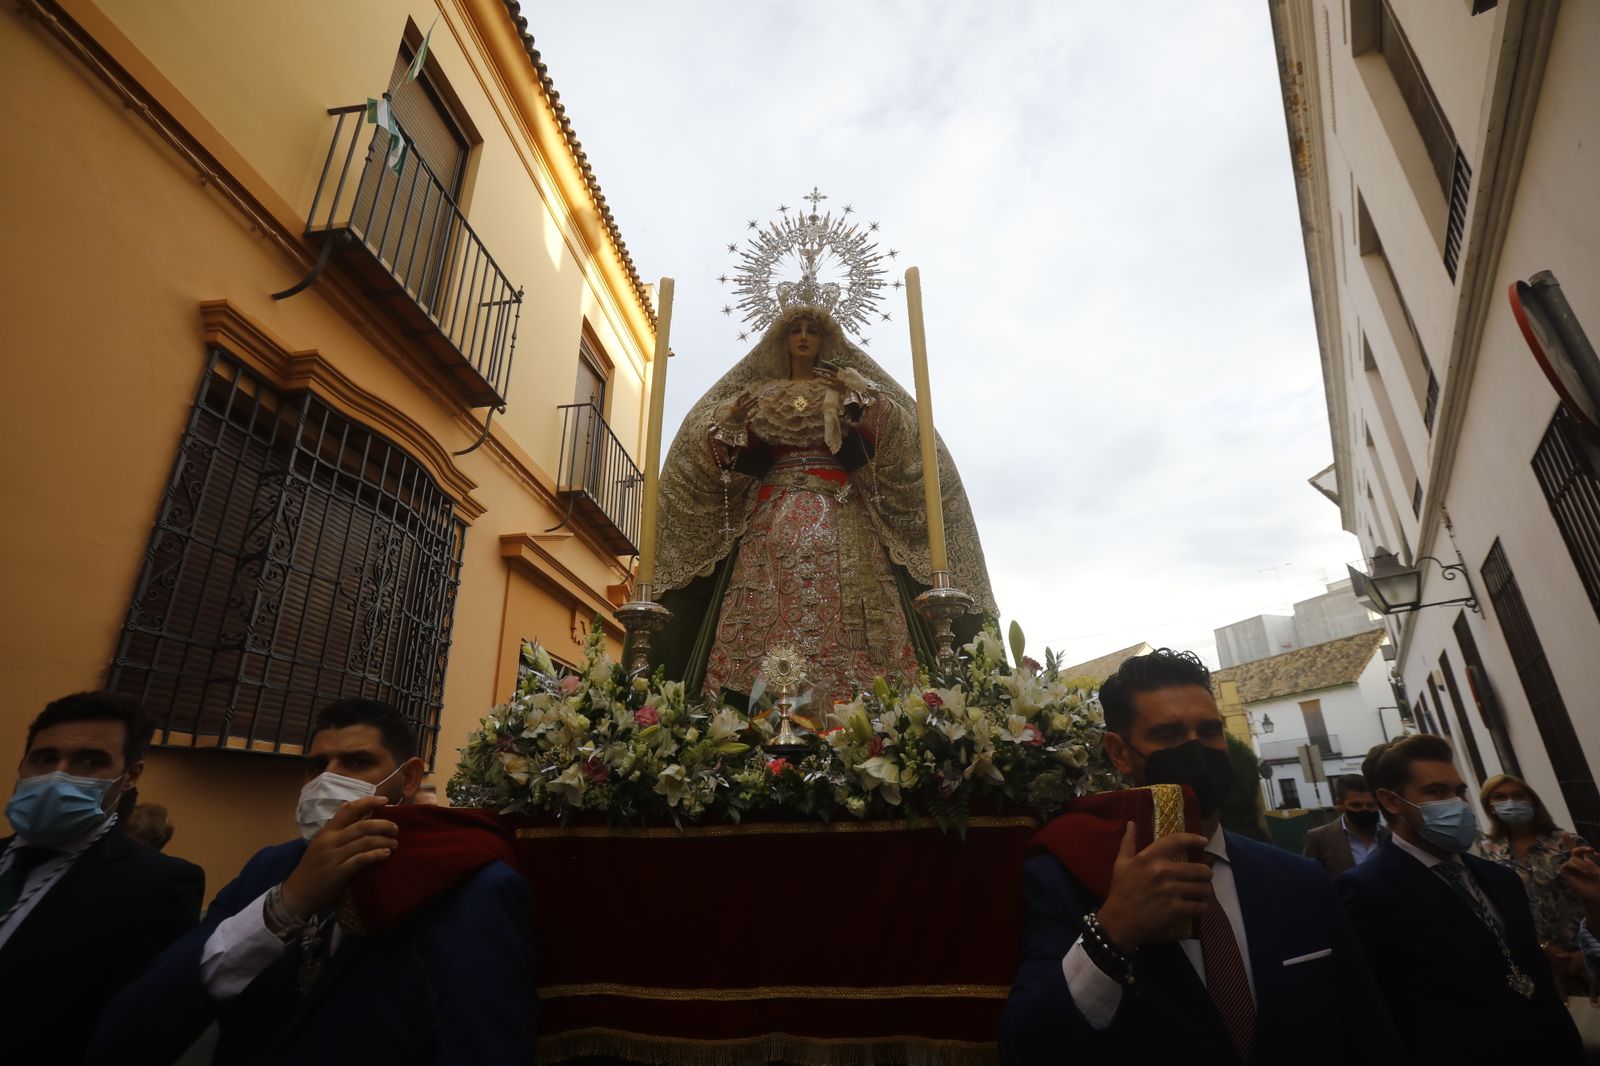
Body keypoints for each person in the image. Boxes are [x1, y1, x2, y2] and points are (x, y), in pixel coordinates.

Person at [1000, 649, 1400, 1064]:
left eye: (1210, 730)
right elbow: (1027, 1047)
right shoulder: (1066, 880)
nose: (1196, 748)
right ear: (1119, 753)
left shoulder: (1300, 880)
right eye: (1168, 734)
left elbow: (1368, 1031)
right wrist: (1113, 931)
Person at [91, 698, 536, 1065]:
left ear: (408, 778)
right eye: (316, 765)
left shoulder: (473, 890)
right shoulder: (267, 869)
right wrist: (283, 907)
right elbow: (136, 1028)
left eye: (357, 762)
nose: (328, 779)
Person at [651, 304, 996, 704]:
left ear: (824, 340)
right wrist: (730, 420)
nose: (803, 337)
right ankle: (752, 703)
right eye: (795, 330)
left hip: (842, 514)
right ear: (781, 340)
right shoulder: (762, 395)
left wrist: (863, 400)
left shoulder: (844, 389)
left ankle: (865, 703)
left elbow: (898, 432)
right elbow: (715, 447)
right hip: (772, 519)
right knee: (762, 602)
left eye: (811, 331)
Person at [1336, 735, 1582, 1062]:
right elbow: (1376, 1005)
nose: (1457, 804)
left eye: (1460, 792)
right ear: (1391, 801)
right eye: (1437, 792)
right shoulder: (1367, 890)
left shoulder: (1501, 878)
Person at [0, 691, 203, 1065]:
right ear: (22, 764)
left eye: (90, 761)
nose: (57, 776)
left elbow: (137, 1036)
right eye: (45, 759)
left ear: (130, 776)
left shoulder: (157, 886)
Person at [1476, 772, 1591, 995]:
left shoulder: (1566, 842)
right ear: (1490, 807)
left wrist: (1587, 949)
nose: (1511, 802)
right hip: (1538, 959)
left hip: (1587, 950)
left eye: (1518, 795)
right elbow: (1498, 906)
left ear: (1532, 802)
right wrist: (1543, 948)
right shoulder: (1489, 851)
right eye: (1500, 797)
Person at [1302, 773, 1387, 877]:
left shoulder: (1389, 835)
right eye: (1356, 805)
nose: (1365, 810)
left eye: (1371, 805)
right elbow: (1309, 879)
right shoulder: (1318, 839)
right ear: (1340, 804)